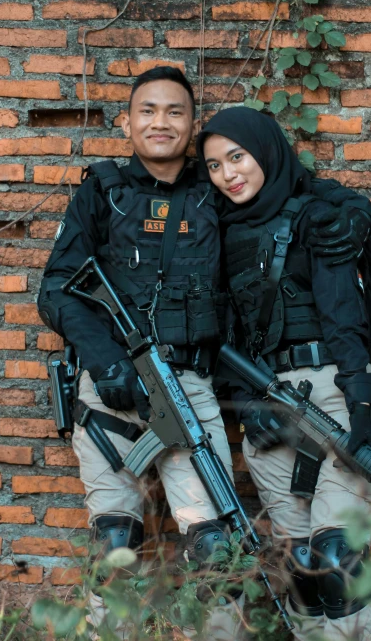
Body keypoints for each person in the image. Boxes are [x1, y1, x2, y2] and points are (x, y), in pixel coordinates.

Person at [38, 67, 244, 640]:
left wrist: (338, 205)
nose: (161, 122)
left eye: (175, 112)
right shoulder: (102, 189)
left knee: (214, 541)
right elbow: (56, 288)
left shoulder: (214, 190)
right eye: (148, 111)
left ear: (191, 124)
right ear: (126, 122)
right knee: (116, 542)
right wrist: (104, 359)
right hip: (108, 390)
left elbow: (277, 191)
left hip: (187, 388)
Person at [198, 106, 371, 641]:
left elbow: (345, 323)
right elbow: (223, 332)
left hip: (332, 394)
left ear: (266, 151)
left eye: (237, 157)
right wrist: (245, 399)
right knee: (301, 565)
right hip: (267, 409)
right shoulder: (217, 231)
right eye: (214, 165)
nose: (228, 174)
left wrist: (360, 413)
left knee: (336, 556)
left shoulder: (318, 216)